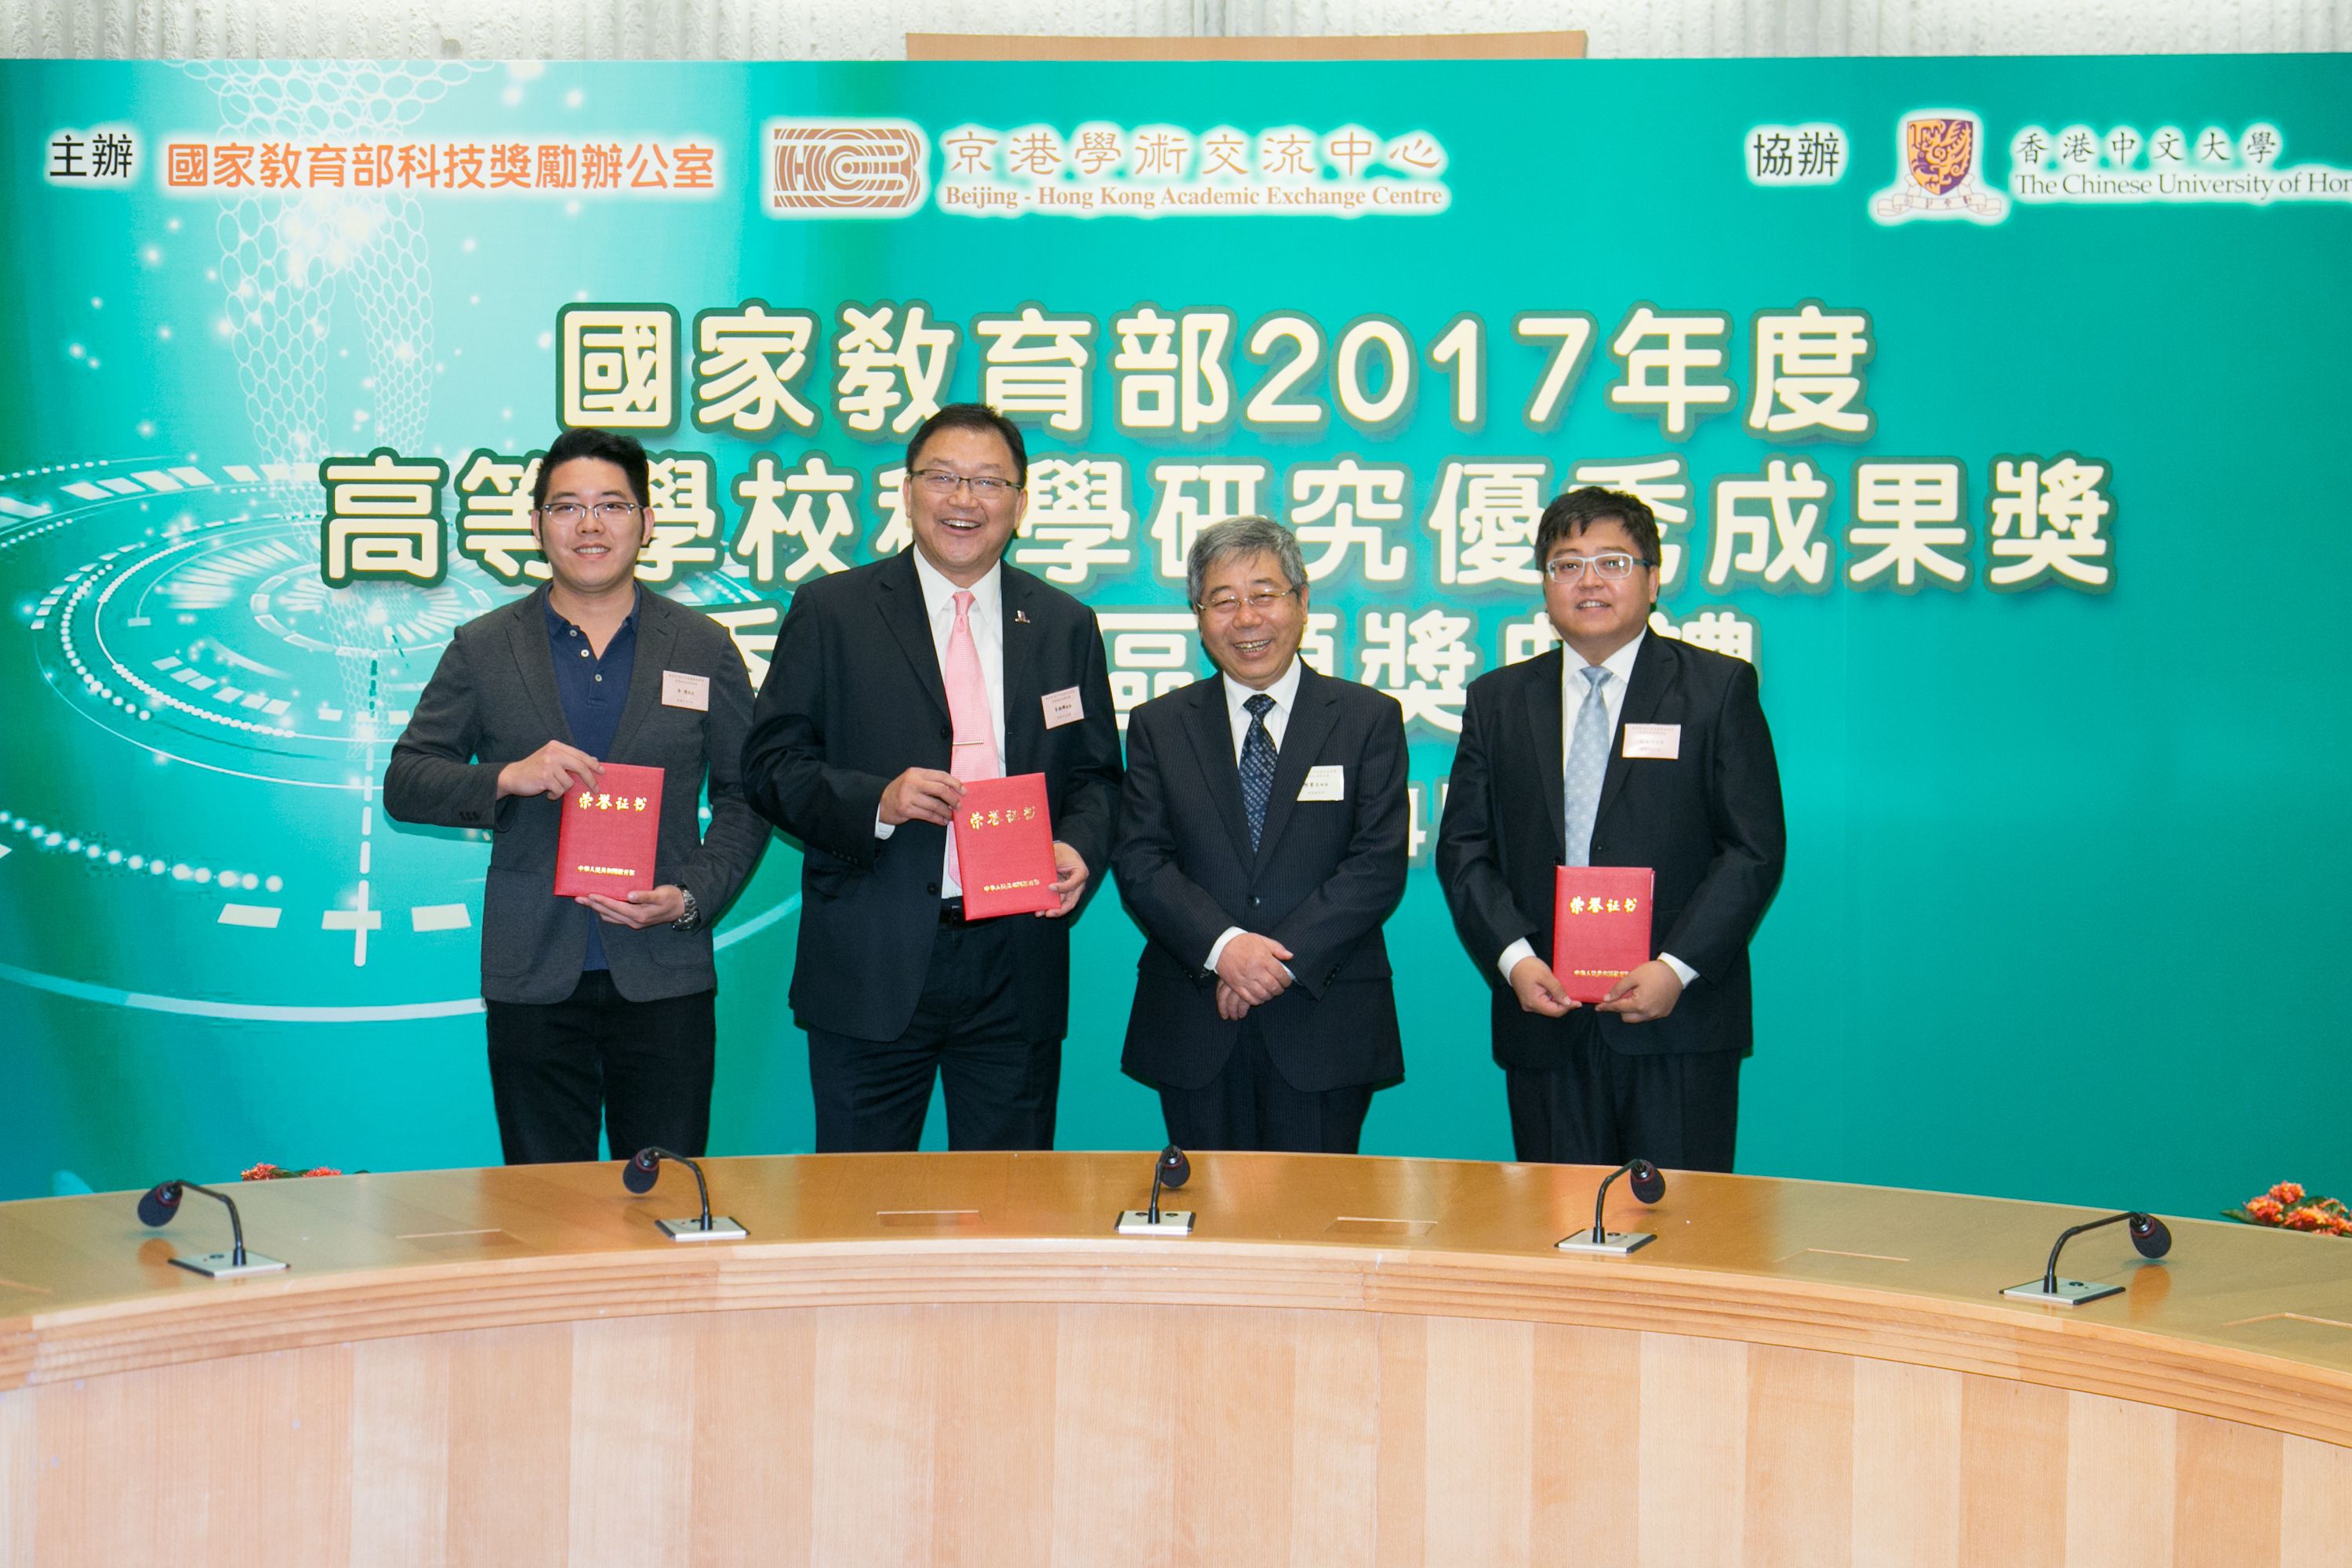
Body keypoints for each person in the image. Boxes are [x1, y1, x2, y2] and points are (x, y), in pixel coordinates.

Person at [739, 402, 1121, 1152]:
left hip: (1016, 961)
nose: (964, 500)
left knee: (1011, 1203)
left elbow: (1100, 776)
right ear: (908, 491)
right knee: (858, 1208)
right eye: (943, 477)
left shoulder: (1063, 624)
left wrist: (1079, 847)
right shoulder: (833, 611)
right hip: (871, 958)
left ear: (1019, 501)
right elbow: (769, 766)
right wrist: (875, 801)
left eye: (988, 482)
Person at [383, 427, 769, 1164]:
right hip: (534, 973)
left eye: (612, 506)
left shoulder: (703, 646)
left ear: (647, 522)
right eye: (566, 507)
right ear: (536, 525)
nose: (590, 525)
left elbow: (745, 796)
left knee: (667, 1200)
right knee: (542, 1209)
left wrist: (688, 898)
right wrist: (504, 777)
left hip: (663, 973)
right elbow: (407, 778)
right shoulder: (484, 646)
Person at [1436, 486, 1784, 1172]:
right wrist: (1516, 962)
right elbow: (1465, 850)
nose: (1588, 580)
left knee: (1681, 1236)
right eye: (1567, 564)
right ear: (1545, 586)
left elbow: (1753, 850)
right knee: (1558, 1236)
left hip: (1676, 1020)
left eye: (1613, 562)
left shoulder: (1717, 690)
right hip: (1547, 1017)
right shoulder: (1499, 700)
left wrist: (1674, 968)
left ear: (1653, 580)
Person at [1112, 516, 1409, 1152]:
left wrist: (1268, 963)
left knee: (1314, 1227)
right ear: (1199, 616)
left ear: (1302, 603)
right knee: (1208, 1225)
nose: (1246, 619)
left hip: (1324, 1018)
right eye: (1223, 600)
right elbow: (1141, 860)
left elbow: (1376, 865)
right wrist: (1225, 949)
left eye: (1265, 595)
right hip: (1196, 1018)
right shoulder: (1159, 726)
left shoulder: (1366, 719)